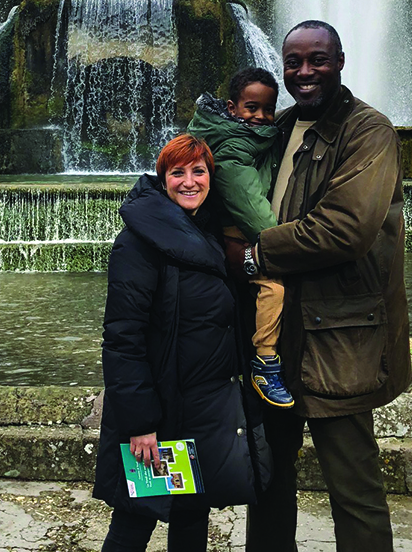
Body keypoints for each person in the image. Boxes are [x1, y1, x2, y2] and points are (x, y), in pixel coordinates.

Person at [228, 21, 411, 552]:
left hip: (340, 340)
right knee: (267, 481)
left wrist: (252, 256)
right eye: (293, 62)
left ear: (340, 62)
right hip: (274, 339)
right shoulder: (276, 127)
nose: (304, 72)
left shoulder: (368, 131)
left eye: (318, 60)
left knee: (353, 488)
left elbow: (345, 229)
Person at [93, 134, 271, 552]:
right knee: (135, 522)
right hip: (163, 411)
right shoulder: (139, 243)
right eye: (178, 173)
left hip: (205, 411)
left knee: (193, 519)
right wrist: (141, 425)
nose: (189, 182)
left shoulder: (208, 231)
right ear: (163, 179)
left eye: (199, 171)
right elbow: (123, 337)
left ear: (211, 177)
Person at [187, 68, 293, 410]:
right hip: (239, 231)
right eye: (252, 108)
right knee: (274, 284)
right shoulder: (233, 148)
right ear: (232, 108)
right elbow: (253, 213)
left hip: (232, 228)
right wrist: (281, 243)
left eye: (268, 109)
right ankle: (265, 360)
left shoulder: (245, 136)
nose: (261, 116)